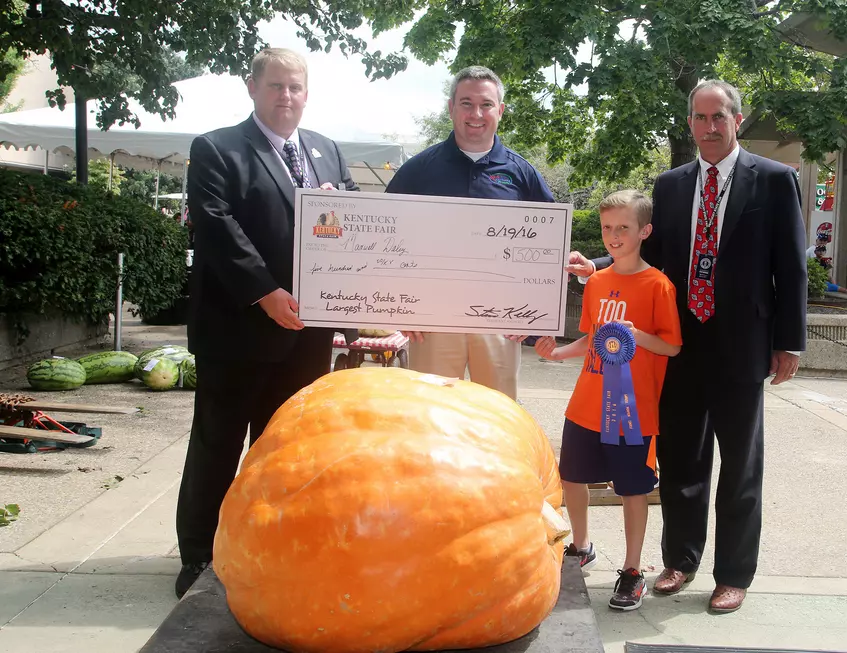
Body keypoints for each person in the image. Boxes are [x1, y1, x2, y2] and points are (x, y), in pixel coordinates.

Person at [566, 80, 807, 613]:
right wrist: (600, 267)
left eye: (718, 117)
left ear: (736, 120)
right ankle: (680, 559)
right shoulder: (670, 186)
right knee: (680, 459)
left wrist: (789, 342)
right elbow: (651, 255)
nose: (708, 127)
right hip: (676, 345)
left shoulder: (773, 180)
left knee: (741, 463)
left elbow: (789, 266)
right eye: (699, 118)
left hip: (743, 345)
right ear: (691, 123)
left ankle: (734, 573)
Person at [174, 47, 360, 599]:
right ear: (251, 88)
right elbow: (214, 226)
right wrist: (265, 292)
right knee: (218, 446)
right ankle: (198, 560)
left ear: (307, 93)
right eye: (275, 86)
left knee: (287, 452)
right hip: (237, 332)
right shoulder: (217, 148)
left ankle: (272, 552)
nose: (286, 97)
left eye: (295, 87)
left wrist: (341, 214)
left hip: (306, 335)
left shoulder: (327, 152)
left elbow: (353, 231)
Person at [536, 190, 681, 611]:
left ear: (644, 231)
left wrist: (637, 336)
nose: (613, 236)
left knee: (632, 489)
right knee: (572, 477)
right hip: (586, 403)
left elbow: (671, 348)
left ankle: (633, 570)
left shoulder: (658, 285)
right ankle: (581, 546)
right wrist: (558, 352)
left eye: (623, 227)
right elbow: (591, 337)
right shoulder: (597, 281)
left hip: (633, 412)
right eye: (607, 228)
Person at [384, 66, 554, 400]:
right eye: (466, 103)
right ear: (451, 108)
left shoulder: (522, 174)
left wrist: (532, 314)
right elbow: (386, 240)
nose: (476, 114)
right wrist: (397, 308)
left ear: (500, 111)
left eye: (486, 104)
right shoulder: (418, 170)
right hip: (431, 320)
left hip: (500, 322)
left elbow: (548, 245)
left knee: (498, 415)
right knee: (430, 413)